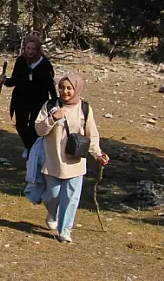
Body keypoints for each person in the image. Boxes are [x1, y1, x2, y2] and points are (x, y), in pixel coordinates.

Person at [34, 73, 110, 243]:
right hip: (53, 160)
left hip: (76, 161)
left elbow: (92, 135)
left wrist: (98, 154)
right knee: (51, 195)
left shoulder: (85, 108)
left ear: (77, 89)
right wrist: (53, 118)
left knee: (71, 198)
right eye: (62, 87)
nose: (65, 91)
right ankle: (52, 213)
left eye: (69, 88)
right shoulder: (50, 105)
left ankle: (65, 230)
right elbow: (39, 130)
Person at [3, 33, 58, 158]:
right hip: (20, 99)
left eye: (33, 49)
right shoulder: (21, 61)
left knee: (35, 126)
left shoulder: (44, 63)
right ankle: (29, 146)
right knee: (21, 125)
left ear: (38, 49)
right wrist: (5, 81)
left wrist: (55, 101)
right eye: (28, 48)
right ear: (24, 48)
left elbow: (50, 84)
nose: (30, 51)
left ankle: (32, 149)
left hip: (38, 100)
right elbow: (14, 80)